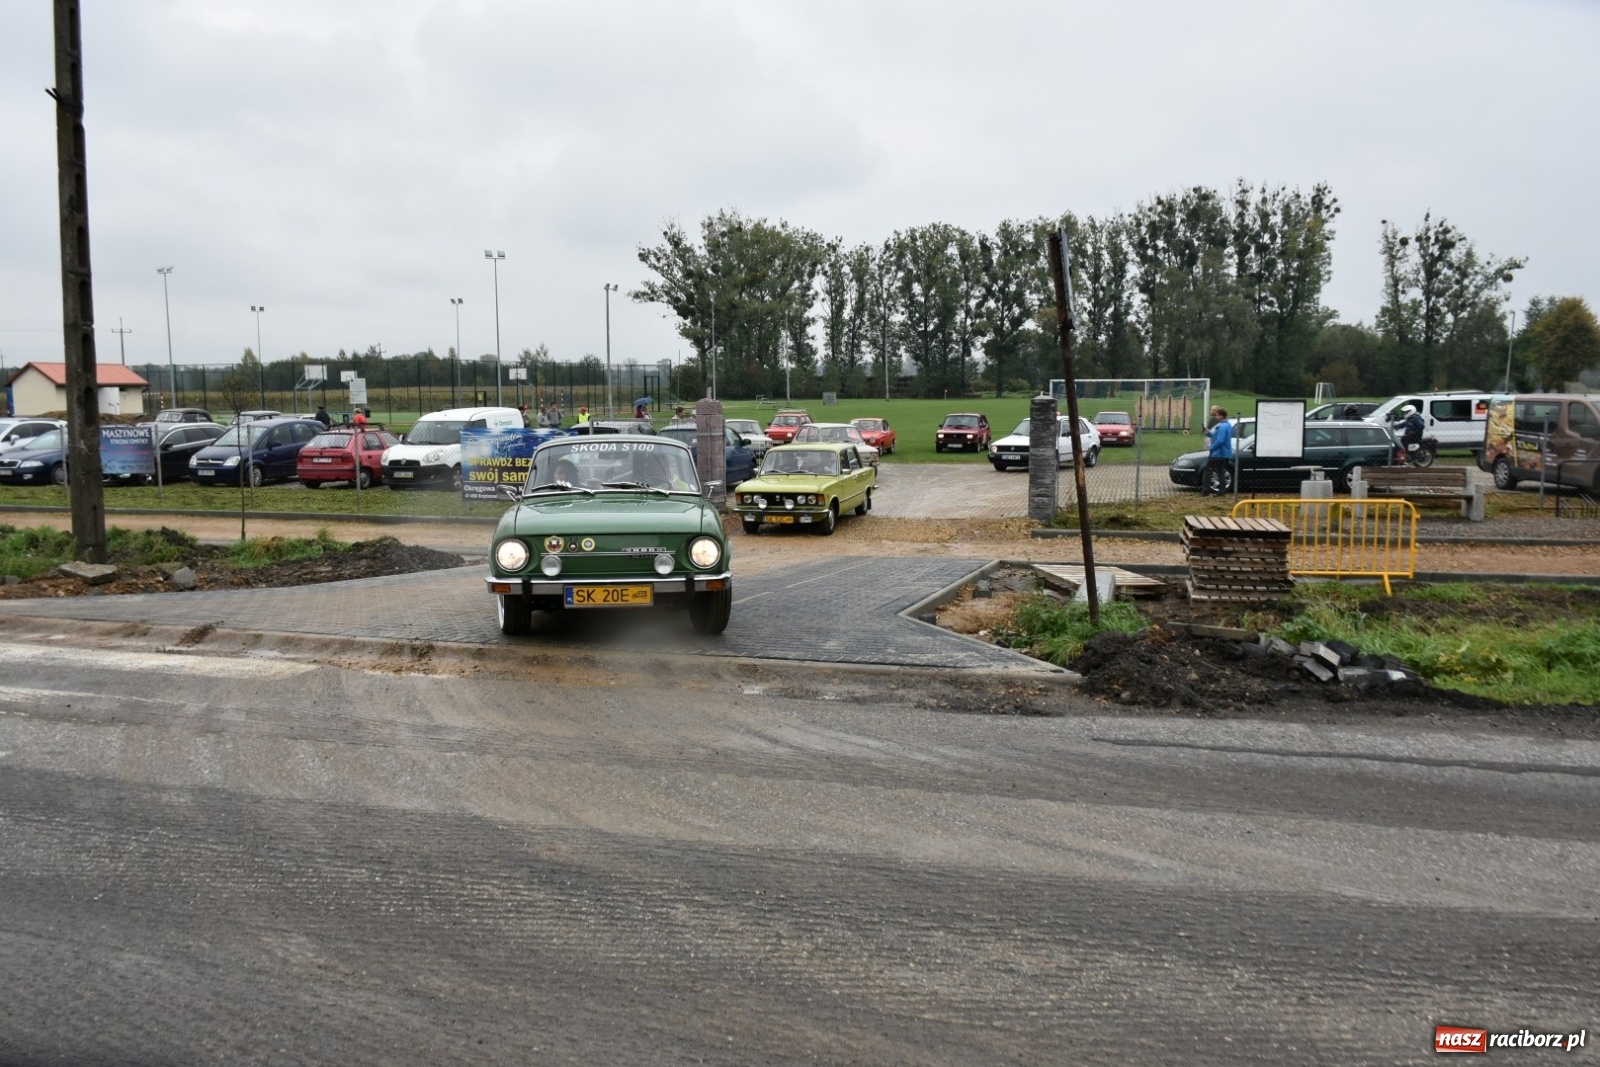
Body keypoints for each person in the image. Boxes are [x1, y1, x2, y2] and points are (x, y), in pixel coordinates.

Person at [1203, 406, 1234, 494]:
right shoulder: (1228, 425)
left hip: (1218, 453)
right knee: (1221, 471)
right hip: (1224, 453)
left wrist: (1211, 448)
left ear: (1221, 416)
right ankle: (1222, 491)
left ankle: (1205, 490)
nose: (1216, 417)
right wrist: (1209, 434)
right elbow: (1218, 437)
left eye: (1217, 415)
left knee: (1208, 471)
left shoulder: (1222, 427)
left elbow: (1220, 440)